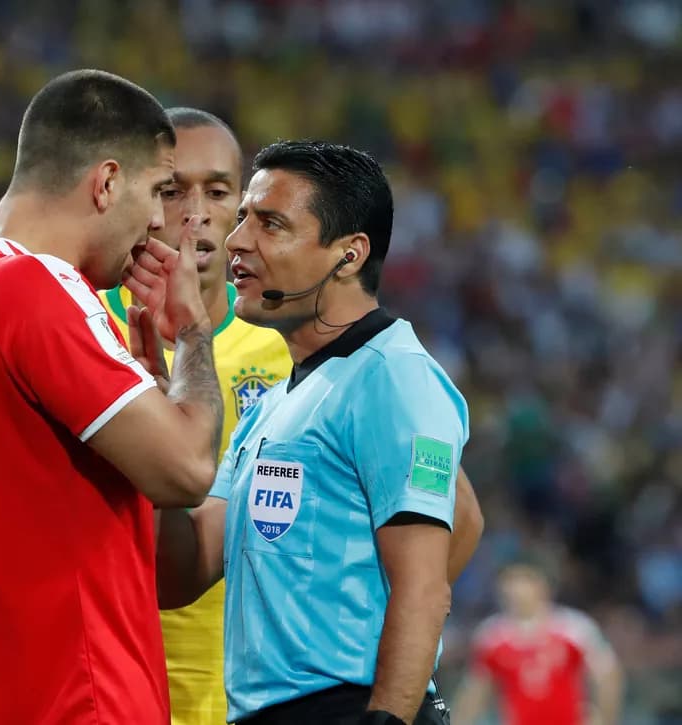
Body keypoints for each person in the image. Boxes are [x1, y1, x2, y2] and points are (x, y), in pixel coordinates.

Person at [0, 69, 224, 724]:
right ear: (107, 181)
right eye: (156, 191)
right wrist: (195, 333)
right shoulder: (35, 289)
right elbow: (188, 468)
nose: (156, 223)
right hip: (86, 705)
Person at [126, 140, 484, 725]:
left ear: (348, 255)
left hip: (352, 708)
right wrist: (157, 422)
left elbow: (423, 588)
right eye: (243, 217)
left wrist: (386, 715)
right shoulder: (272, 405)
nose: (238, 240)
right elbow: (182, 573)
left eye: (270, 224)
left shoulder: (394, 376)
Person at [102, 107, 292, 725]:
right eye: (173, 189)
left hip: (253, 698)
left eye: (217, 190)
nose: (196, 211)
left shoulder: (292, 343)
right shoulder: (76, 322)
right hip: (108, 692)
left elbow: (451, 512)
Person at [452, 556, 623, 725]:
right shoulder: (491, 636)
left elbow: (608, 676)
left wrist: (605, 718)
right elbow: (476, 691)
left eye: (523, 580)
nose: (514, 589)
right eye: (509, 581)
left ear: (543, 584)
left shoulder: (574, 628)